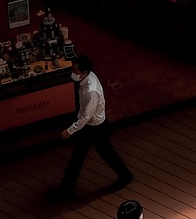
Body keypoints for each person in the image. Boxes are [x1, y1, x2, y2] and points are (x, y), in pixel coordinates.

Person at [47, 54, 133, 200]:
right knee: (78, 157)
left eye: (75, 72)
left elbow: (86, 116)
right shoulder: (87, 78)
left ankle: (125, 176)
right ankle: (66, 189)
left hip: (96, 128)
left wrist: (69, 131)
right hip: (91, 126)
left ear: (84, 73)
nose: (73, 74)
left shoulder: (91, 91)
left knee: (105, 154)